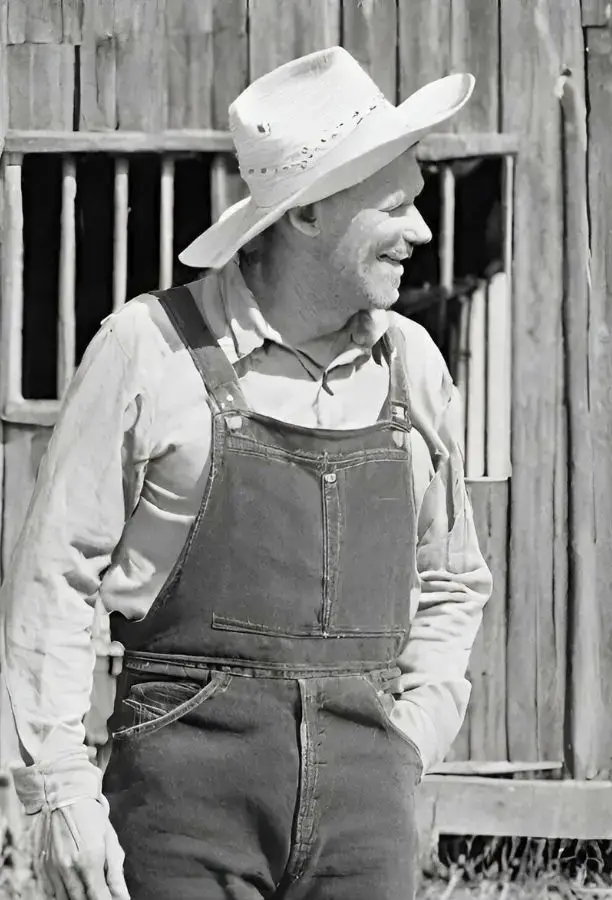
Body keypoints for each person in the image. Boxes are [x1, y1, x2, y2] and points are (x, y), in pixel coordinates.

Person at [0, 47, 491, 900]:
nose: (423, 232)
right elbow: (55, 580)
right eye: (400, 206)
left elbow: (453, 580)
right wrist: (58, 791)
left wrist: (408, 739)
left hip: (365, 820)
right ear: (305, 215)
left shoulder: (412, 366)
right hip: (183, 808)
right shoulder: (149, 351)